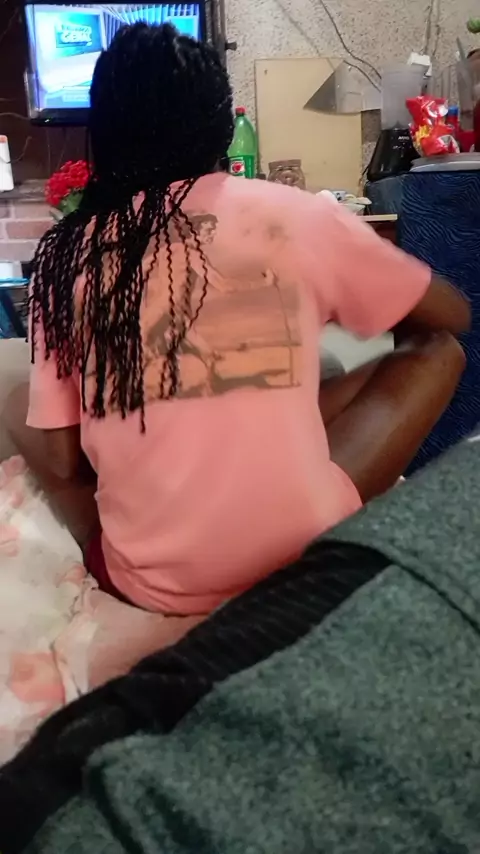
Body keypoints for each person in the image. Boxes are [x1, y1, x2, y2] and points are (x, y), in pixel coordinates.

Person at [19, 23, 469, 616]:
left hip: (148, 585)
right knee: (436, 349)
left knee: (31, 413)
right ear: (225, 130)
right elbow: (452, 315)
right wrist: (343, 294)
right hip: (299, 559)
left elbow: (60, 459)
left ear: (100, 137)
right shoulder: (296, 215)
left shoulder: (65, 255)